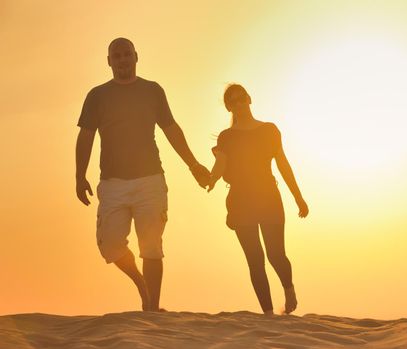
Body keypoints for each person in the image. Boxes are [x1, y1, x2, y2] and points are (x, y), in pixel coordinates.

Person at [75, 37, 210, 312]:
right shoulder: (97, 96)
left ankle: (152, 308)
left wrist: (194, 165)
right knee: (110, 246)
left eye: (127, 54)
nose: (123, 60)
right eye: (117, 55)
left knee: (151, 247)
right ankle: (140, 283)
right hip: (112, 183)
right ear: (109, 61)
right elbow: (86, 136)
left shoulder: (152, 91)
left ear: (136, 57)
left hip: (150, 180)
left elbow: (171, 129)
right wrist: (79, 176)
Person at [208, 84, 309, 315]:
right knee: (255, 260)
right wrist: (211, 179)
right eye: (233, 101)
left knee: (276, 254)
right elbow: (220, 165)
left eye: (241, 98)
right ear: (228, 107)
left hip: (268, 197)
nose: (239, 103)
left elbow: (283, 164)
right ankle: (268, 315)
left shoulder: (269, 130)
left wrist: (298, 197)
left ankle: (289, 288)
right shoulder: (227, 137)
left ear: (249, 99)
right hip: (240, 200)